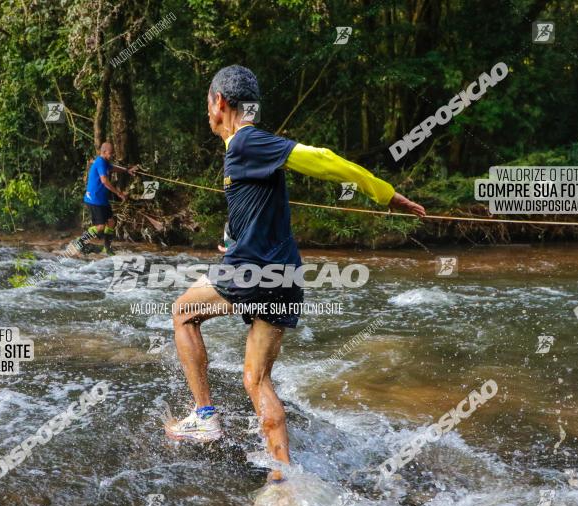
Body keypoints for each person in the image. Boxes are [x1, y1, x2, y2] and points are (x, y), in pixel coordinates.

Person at [165, 65, 426, 484]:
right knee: (256, 379)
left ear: (220, 103)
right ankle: (281, 482)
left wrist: (384, 194)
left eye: (207, 104)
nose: (207, 114)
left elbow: (322, 160)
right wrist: (232, 241)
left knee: (182, 313)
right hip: (285, 275)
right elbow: (253, 209)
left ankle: (204, 416)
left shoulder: (247, 140)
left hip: (256, 272)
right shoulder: (245, 151)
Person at [79, 142, 136, 255]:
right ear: (104, 152)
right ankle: (81, 242)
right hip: (94, 199)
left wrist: (126, 170)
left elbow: (113, 168)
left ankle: (107, 248)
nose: (112, 155)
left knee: (111, 222)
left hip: (102, 199)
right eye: (110, 153)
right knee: (100, 227)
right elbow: (104, 181)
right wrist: (119, 193)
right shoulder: (100, 162)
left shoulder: (105, 162)